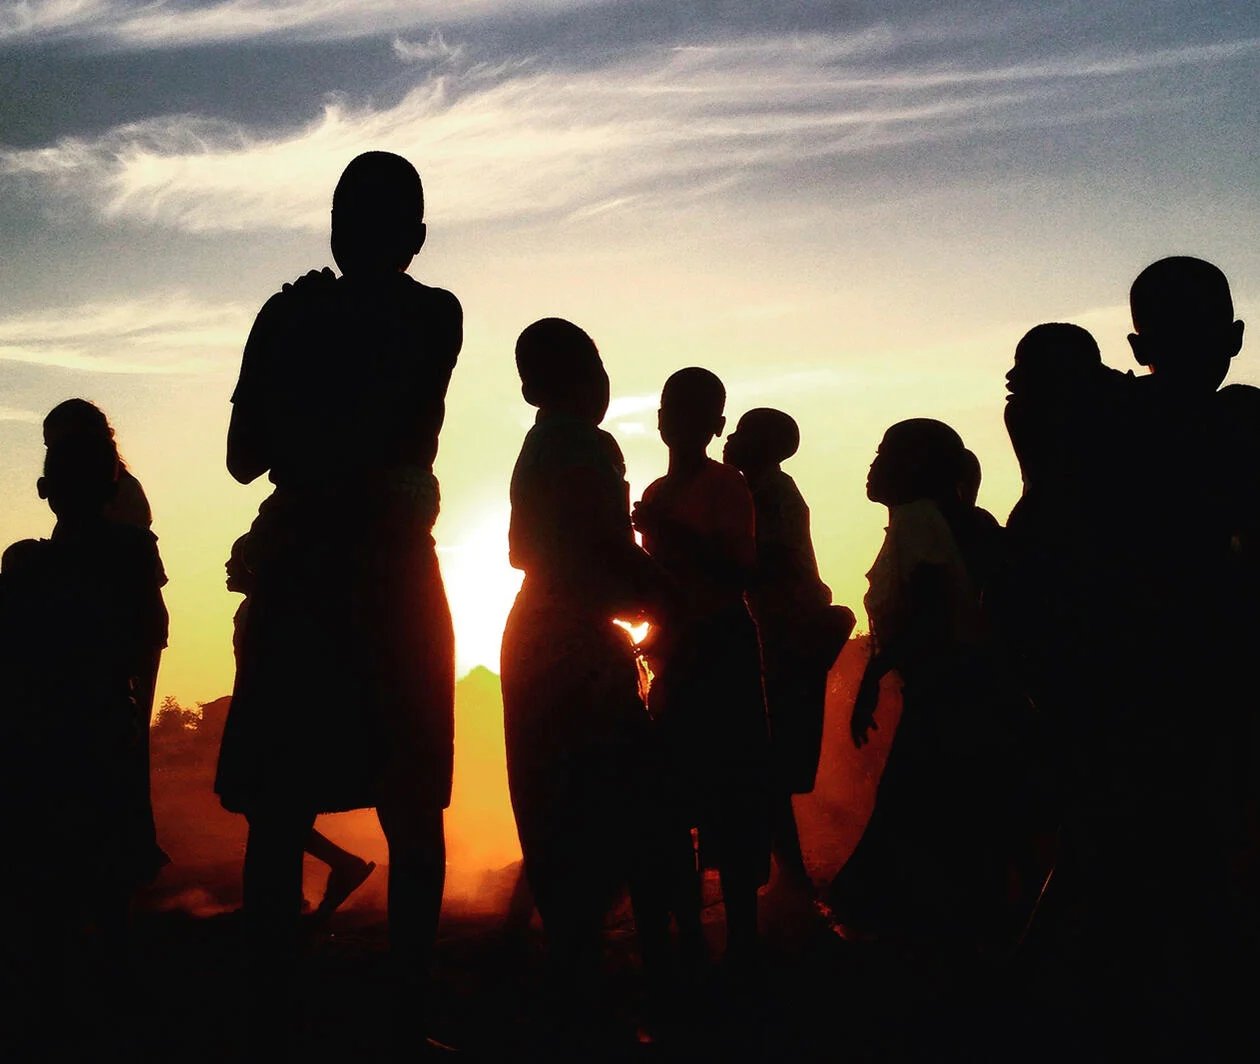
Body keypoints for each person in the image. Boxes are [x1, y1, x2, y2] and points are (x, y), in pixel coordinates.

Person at [215, 151, 460, 1053]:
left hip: (308, 574)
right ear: (418, 239)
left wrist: (296, 343)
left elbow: (245, 457)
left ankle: (272, 1015)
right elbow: (391, 437)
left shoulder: (289, 315)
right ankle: (406, 1018)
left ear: (333, 228)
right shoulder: (434, 312)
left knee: (281, 812)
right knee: (412, 806)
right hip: (390, 576)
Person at [500, 318, 675, 1037]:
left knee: (557, 808)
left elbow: (521, 552)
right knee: (618, 803)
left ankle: (572, 987)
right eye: (596, 365)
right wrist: (672, 599)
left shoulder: (539, 447)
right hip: (574, 642)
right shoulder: (582, 445)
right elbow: (602, 546)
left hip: (539, 636)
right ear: (581, 380)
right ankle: (633, 989)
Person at [0, 432, 167, 1055]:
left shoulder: (30, 568)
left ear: (45, 492)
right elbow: (148, 634)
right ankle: (111, 980)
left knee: (52, 871)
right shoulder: (129, 551)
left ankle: (57, 996)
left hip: (50, 729)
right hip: (96, 720)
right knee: (101, 864)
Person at [831, 419, 1017, 944]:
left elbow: (931, 614)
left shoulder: (917, 521)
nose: (872, 464)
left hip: (946, 694)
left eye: (884, 452)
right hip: (952, 691)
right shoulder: (925, 521)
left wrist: (872, 675)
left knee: (916, 839)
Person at [633, 368, 771, 967]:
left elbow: (739, 572)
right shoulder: (658, 496)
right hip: (677, 650)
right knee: (671, 798)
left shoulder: (727, 486)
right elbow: (653, 584)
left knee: (733, 793)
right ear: (660, 420)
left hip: (721, 646)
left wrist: (664, 535)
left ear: (715, 426)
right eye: (673, 412)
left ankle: (741, 939)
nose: (682, 424)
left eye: (697, 415)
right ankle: (689, 932)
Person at [722, 408, 853, 892]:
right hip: (782, 633)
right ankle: (788, 875)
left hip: (783, 637)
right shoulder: (767, 489)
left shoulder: (770, 493)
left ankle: (789, 878)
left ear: (763, 447)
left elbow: (768, 560)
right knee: (768, 764)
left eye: (740, 433)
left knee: (766, 761)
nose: (729, 439)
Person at [43, 398, 169, 877]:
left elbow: (116, 562)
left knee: (119, 734)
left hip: (119, 621)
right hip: (121, 618)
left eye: (55, 442)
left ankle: (129, 850)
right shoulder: (115, 484)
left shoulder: (114, 489)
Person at [225, 534, 376, 921]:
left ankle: (281, 903)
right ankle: (301, 889)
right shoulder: (269, 610)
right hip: (282, 718)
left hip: (274, 720)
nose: (227, 567)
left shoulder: (265, 612)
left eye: (235, 559)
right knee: (274, 813)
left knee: (269, 811)